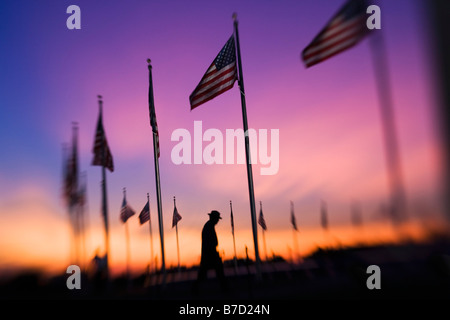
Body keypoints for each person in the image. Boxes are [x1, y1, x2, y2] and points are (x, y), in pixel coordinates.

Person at [193, 210, 228, 293]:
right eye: (217, 219)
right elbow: (209, 242)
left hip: (209, 254)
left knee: (207, 273)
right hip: (210, 254)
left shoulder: (209, 226)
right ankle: (225, 289)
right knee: (216, 272)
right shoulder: (209, 227)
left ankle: (225, 288)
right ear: (214, 218)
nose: (218, 221)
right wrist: (213, 252)